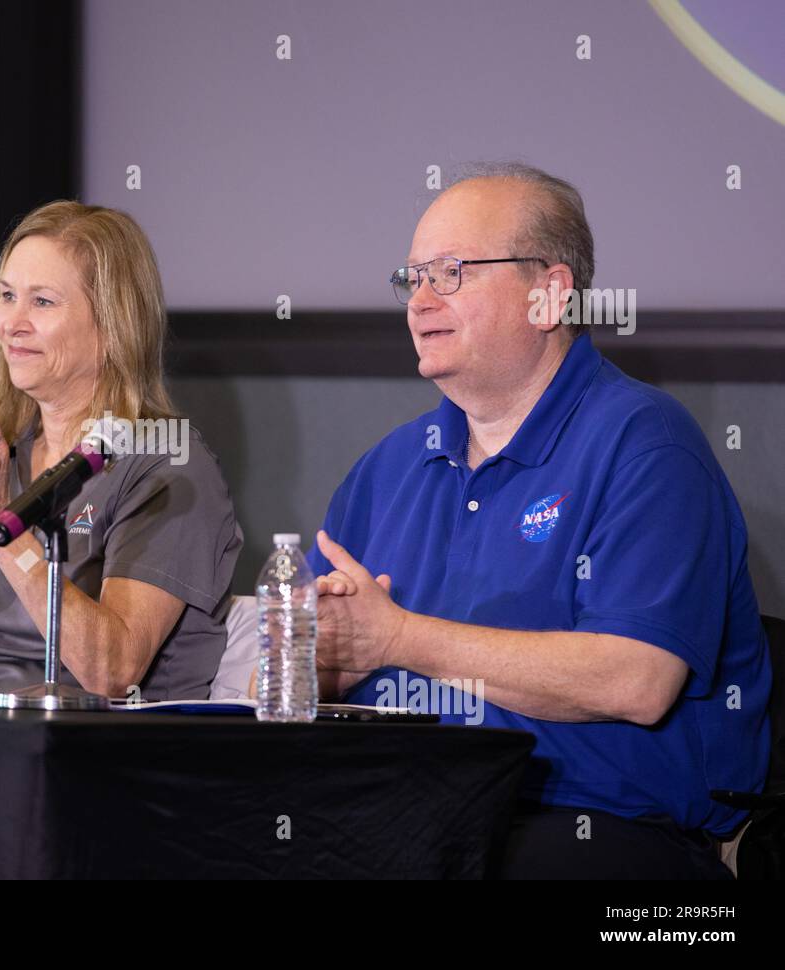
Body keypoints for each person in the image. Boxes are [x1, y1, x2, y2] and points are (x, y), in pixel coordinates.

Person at [308, 162, 770, 878]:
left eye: (451, 272)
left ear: (549, 295)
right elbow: (309, 668)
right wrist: (316, 659)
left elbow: (635, 681)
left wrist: (398, 637)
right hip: (399, 814)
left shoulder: (646, 444)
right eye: (411, 278)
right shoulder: (388, 468)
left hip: (591, 829)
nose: (419, 300)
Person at [0, 201, 241, 700]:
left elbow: (112, 671)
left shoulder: (169, 464)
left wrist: (1, 529)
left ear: (113, 327)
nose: (11, 322)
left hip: (96, 755)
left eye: (43, 302)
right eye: (7, 296)